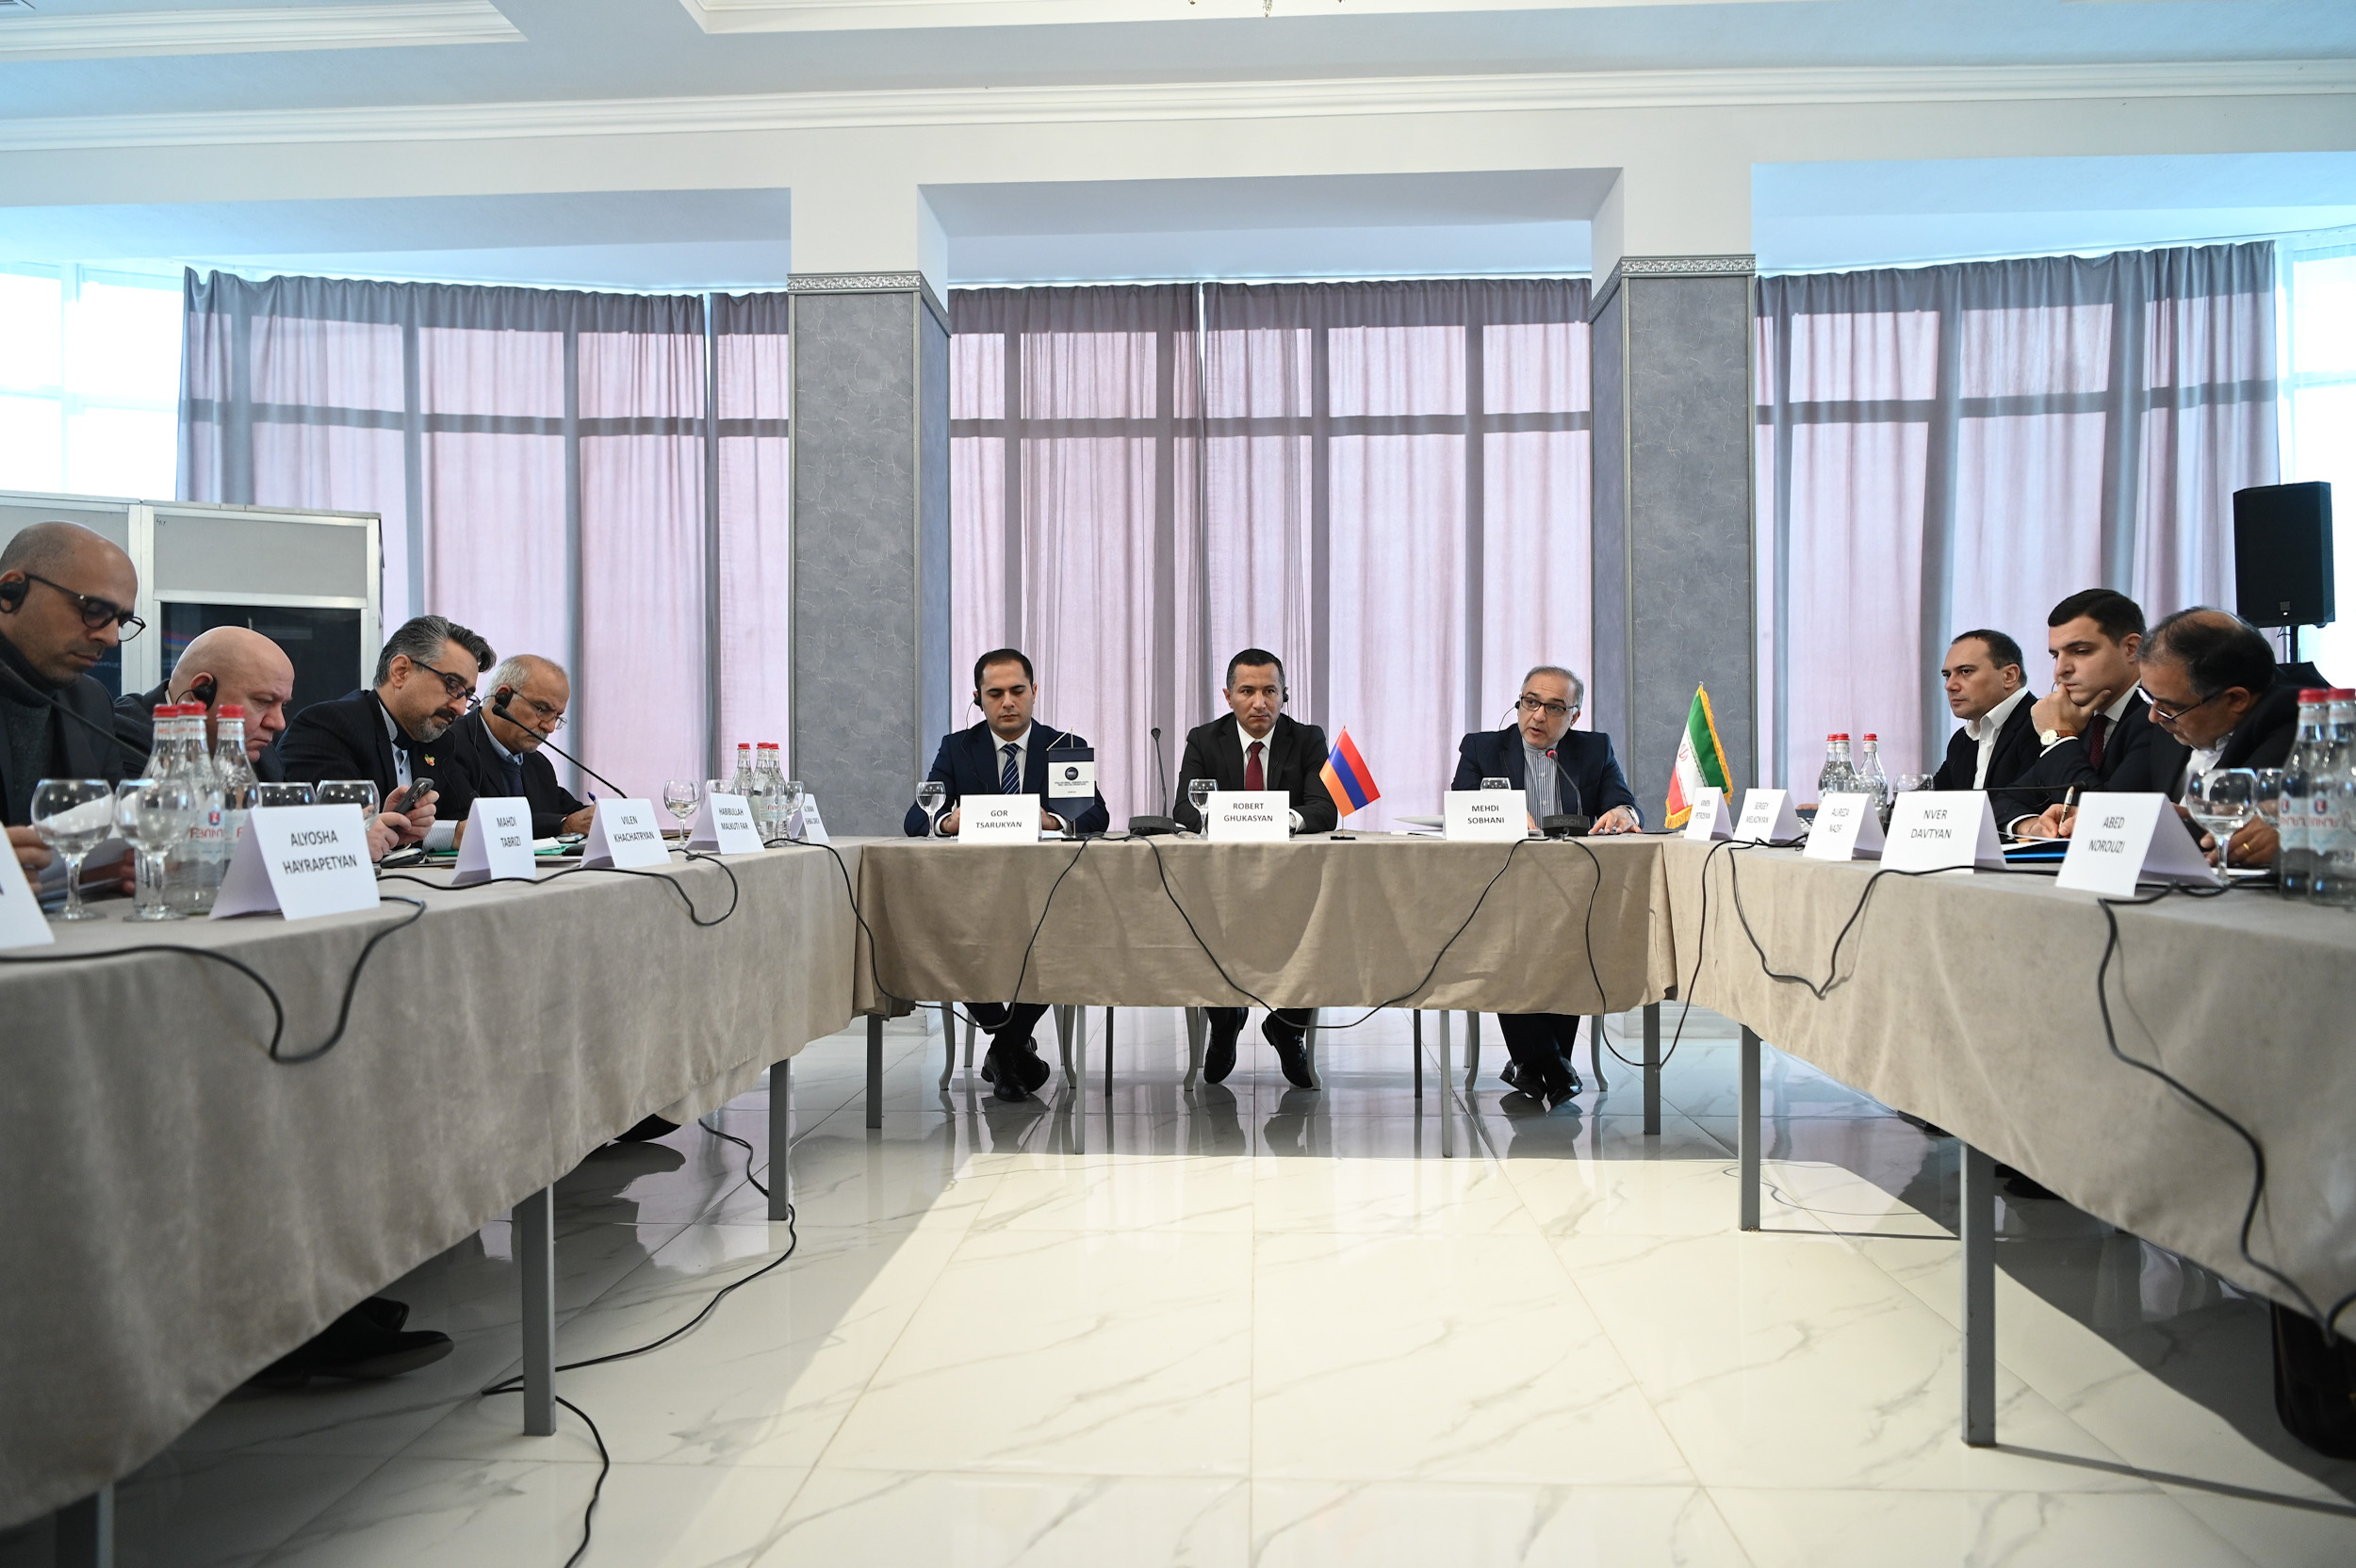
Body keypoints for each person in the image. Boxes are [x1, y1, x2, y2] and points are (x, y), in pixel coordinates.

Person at [905, 647, 1110, 1103]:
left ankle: (1004, 1051)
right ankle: (1012, 1044)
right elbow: (916, 818)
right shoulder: (957, 748)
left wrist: (1054, 820)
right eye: (995, 694)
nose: (1008, 702)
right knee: (949, 943)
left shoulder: (1063, 747)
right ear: (978, 699)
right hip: (973, 901)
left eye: (1017, 691)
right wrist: (947, 822)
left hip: (1046, 898)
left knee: (1059, 941)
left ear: (1034, 692)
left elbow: (1096, 814)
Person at [1449, 664, 1641, 1109]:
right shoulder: (1482, 748)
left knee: (1568, 942)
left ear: (1574, 716)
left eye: (1554, 708)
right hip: (1499, 891)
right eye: (1530, 702)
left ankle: (1533, 1065)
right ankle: (1554, 1066)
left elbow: (1623, 803)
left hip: (1570, 891)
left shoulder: (1594, 749)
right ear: (1519, 702)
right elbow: (1461, 810)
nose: (1538, 716)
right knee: (1505, 944)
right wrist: (1501, 817)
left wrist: (1624, 814)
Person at [1172, 648, 1334, 1088]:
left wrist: (1280, 819)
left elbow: (1325, 808)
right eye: (1247, 691)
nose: (1259, 702)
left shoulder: (1307, 739)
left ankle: (1288, 1027)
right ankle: (1225, 1021)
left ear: (1284, 695)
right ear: (1228, 696)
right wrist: (1233, 820)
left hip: (1291, 883)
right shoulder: (1204, 740)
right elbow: (1184, 809)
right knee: (1201, 921)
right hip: (1221, 884)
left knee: (1321, 925)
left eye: (1270, 691)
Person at [1, 523, 144, 888]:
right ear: (11, 592)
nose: (111, 638)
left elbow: (113, 834)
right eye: (94, 609)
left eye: (121, 621)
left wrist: (116, 869)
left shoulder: (90, 701)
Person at [279, 614, 493, 848]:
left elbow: (469, 821)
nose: (460, 709)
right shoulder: (329, 726)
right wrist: (446, 834)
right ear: (401, 672)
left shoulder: (440, 742)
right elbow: (335, 833)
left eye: (467, 695)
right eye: (452, 685)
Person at [2002, 590, 2188, 837]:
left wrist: (2058, 737)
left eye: (2081, 651)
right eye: (2056, 655)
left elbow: (2108, 823)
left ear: (2132, 648)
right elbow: (2002, 800)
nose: (2060, 670)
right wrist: (2030, 824)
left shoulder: (2158, 717)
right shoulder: (2081, 718)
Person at [2134, 607, 2298, 868]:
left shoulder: (2292, 719)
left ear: (2235, 699)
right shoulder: (2176, 710)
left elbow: (2228, 828)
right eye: (2150, 698)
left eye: (2169, 707)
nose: (2154, 716)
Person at [436, 653, 594, 839]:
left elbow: (569, 811)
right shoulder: (449, 746)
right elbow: (475, 824)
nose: (550, 727)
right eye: (542, 709)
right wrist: (563, 825)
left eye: (557, 716)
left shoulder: (538, 764)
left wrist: (599, 817)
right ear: (502, 697)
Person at [114, 624, 297, 782]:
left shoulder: (263, 757)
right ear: (201, 692)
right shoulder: (124, 736)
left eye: (283, 705)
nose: (279, 723)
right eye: (263, 701)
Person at [1928, 629, 2039, 792]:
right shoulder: (1961, 740)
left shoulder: (2042, 725)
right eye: (1947, 675)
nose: (1949, 685)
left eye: (1966, 671)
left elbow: (2025, 801)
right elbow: (1930, 799)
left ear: (2009, 676)